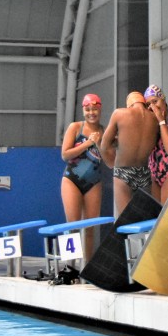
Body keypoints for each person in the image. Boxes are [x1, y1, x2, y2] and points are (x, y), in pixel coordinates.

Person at [100, 91, 160, 217]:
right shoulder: (155, 118)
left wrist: (118, 141)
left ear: (129, 104)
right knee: (146, 221)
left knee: (126, 222)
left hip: (123, 172)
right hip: (144, 172)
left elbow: (104, 145)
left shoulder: (119, 113)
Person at [60, 93, 105, 259]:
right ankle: (70, 265)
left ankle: (86, 267)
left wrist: (100, 143)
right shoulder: (75, 127)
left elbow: (111, 161)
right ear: (83, 111)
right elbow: (65, 155)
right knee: (72, 226)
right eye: (87, 109)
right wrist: (88, 143)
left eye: (94, 109)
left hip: (94, 182)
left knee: (90, 229)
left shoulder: (104, 131)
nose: (91, 113)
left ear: (100, 110)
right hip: (71, 180)